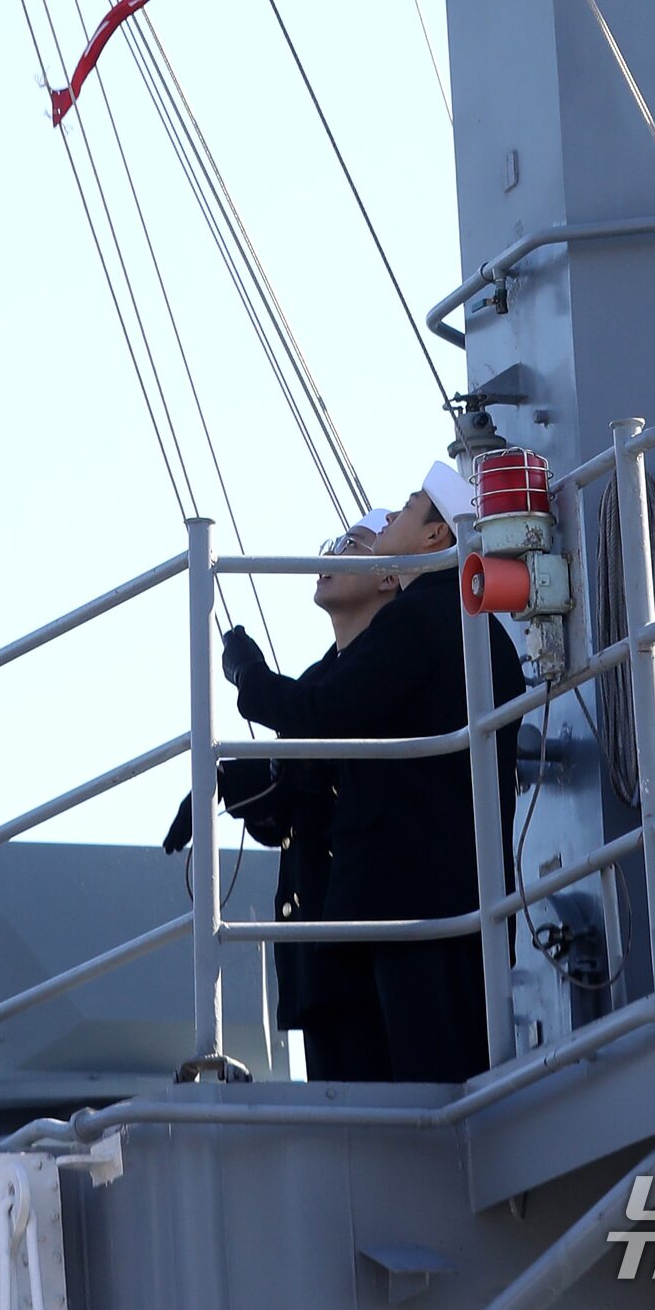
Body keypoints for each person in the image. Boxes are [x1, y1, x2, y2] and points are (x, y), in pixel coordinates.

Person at [224, 461, 526, 1084]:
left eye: (407, 510)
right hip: (456, 897)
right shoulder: (477, 629)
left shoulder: (419, 619)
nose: (389, 518)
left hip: (411, 899)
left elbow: (328, 711)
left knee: (422, 1096)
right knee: (452, 1081)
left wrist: (249, 680)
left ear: (435, 538)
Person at [164, 510, 398, 1079]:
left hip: (364, 941)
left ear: (392, 576)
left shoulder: (386, 661)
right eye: (332, 543)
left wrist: (247, 674)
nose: (331, 555)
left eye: (352, 545)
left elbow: (319, 730)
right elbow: (297, 776)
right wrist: (221, 782)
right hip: (318, 943)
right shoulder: (328, 675)